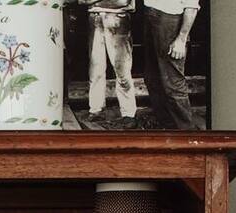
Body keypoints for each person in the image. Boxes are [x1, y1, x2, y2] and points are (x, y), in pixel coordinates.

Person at [143, 0, 204, 130]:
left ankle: (186, 132)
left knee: (172, 82)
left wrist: (181, 39)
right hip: (151, 13)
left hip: (170, 20)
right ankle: (167, 126)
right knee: (152, 78)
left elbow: (191, 6)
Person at [85, 0, 138, 129]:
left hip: (118, 19)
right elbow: (82, 1)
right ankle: (96, 109)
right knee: (95, 69)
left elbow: (122, 1)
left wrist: (95, 2)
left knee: (122, 70)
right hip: (95, 19)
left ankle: (129, 113)